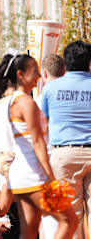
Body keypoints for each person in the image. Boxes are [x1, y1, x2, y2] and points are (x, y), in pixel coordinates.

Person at [0, 52, 78, 238]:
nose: (39, 75)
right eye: (34, 71)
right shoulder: (25, 102)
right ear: (20, 74)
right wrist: (51, 177)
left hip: (20, 174)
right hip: (33, 175)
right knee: (69, 220)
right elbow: (37, 142)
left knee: (29, 230)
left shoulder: (12, 102)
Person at [40, 41, 91, 239]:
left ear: (66, 63)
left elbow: (42, 124)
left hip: (64, 155)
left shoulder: (51, 89)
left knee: (71, 217)